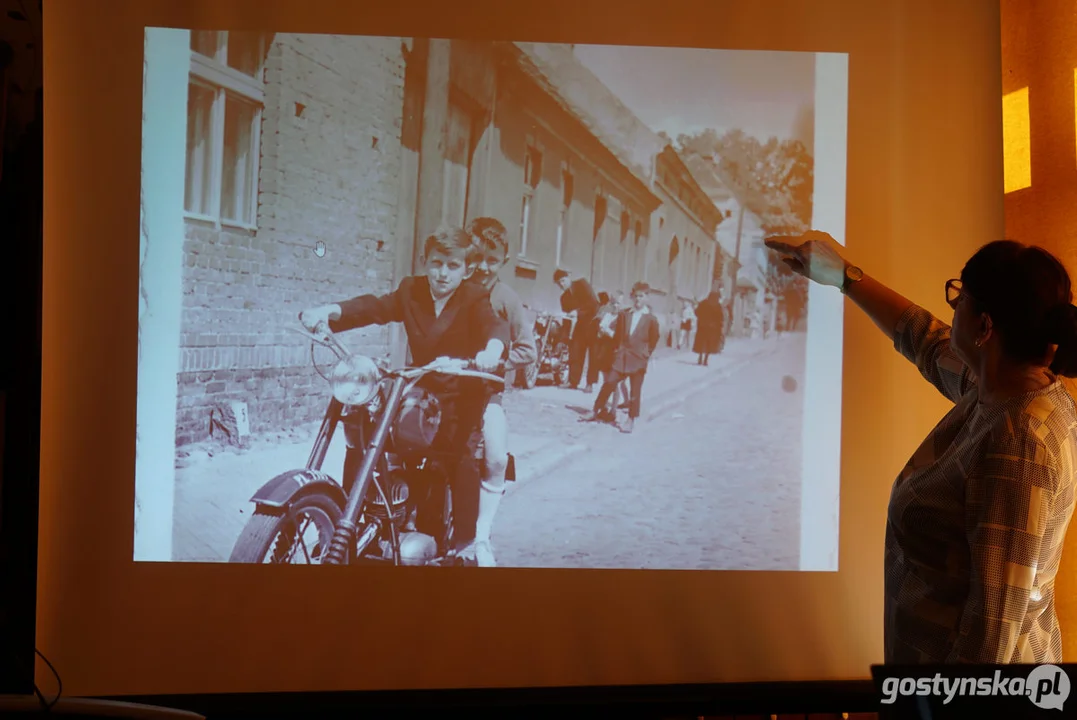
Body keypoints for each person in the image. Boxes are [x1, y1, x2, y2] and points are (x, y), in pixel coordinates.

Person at [767, 230, 1077, 664]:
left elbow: (991, 634)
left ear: (984, 326)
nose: (952, 311)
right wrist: (845, 277)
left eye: (959, 300)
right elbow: (927, 343)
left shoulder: (1018, 442)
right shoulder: (1000, 389)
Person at [299, 227, 508, 564]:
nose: (442, 273)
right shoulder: (412, 290)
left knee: (458, 457)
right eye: (437, 263)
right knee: (366, 432)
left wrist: (492, 349)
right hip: (418, 391)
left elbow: (493, 325)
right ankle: (349, 522)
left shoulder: (473, 297)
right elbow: (375, 307)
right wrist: (330, 311)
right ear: (425, 262)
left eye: (452, 266)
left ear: (465, 269)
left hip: (461, 395)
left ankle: (468, 542)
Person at [464, 217, 538, 567]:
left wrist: (497, 362)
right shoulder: (455, 288)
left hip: (485, 394)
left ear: (504, 261)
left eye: (492, 259)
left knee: (494, 457)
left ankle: (481, 538)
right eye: (477, 256)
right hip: (442, 389)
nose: (482, 266)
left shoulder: (506, 299)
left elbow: (528, 350)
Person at [582, 282, 660, 434]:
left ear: (647, 298)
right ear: (632, 297)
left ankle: (631, 419)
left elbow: (654, 339)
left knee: (634, 391)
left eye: (641, 296)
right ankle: (595, 410)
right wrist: (618, 350)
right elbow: (618, 335)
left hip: (638, 360)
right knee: (609, 382)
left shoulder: (651, 319)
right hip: (621, 358)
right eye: (636, 296)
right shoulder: (625, 314)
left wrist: (645, 354)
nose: (638, 299)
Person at [554, 268, 601, 392]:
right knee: (575, 352)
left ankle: (590, 384)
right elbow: (566, 319)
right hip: (579, 327)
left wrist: (578, 312)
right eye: (559, 283)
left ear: (569, 277)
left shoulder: (582, 284)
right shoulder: (564, 298)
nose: (561, 285)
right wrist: (564, 338)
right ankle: (573, 381)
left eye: (563, 281)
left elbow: (594, 304)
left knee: (593, 355)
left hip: (592, 324)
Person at [693, 290, 724, 365]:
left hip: (702, 326)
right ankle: (706, 359)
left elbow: (696, 312)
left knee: (701, 342)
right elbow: (720, 317)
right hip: (713, 328)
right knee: (709, 344)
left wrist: (701, 319)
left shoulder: (703, 303)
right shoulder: (718, 306)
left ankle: (700, 357)